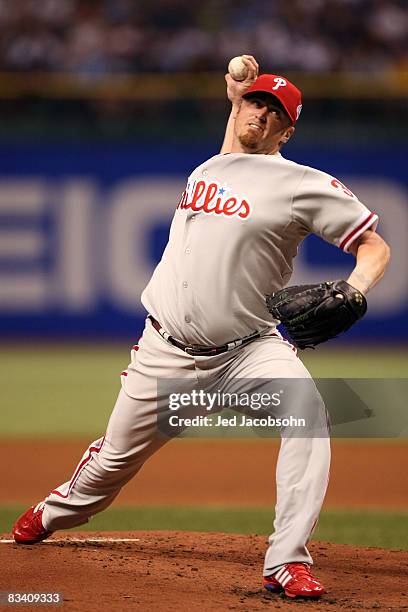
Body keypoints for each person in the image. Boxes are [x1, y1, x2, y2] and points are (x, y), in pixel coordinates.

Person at [13, 56, 390, 599]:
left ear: (288, 128)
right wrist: (237, 98)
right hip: (164, 351)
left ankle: (286, 561)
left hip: (247, 353)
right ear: (240, 109)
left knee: (309, 414)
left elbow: (374, 247)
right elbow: (234, 141)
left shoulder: (303, 184)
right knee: (108, 470)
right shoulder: (211, 168)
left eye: (273, 110)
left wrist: (355, 289)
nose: (260, 114)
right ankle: (54, 511)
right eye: (256, 102)